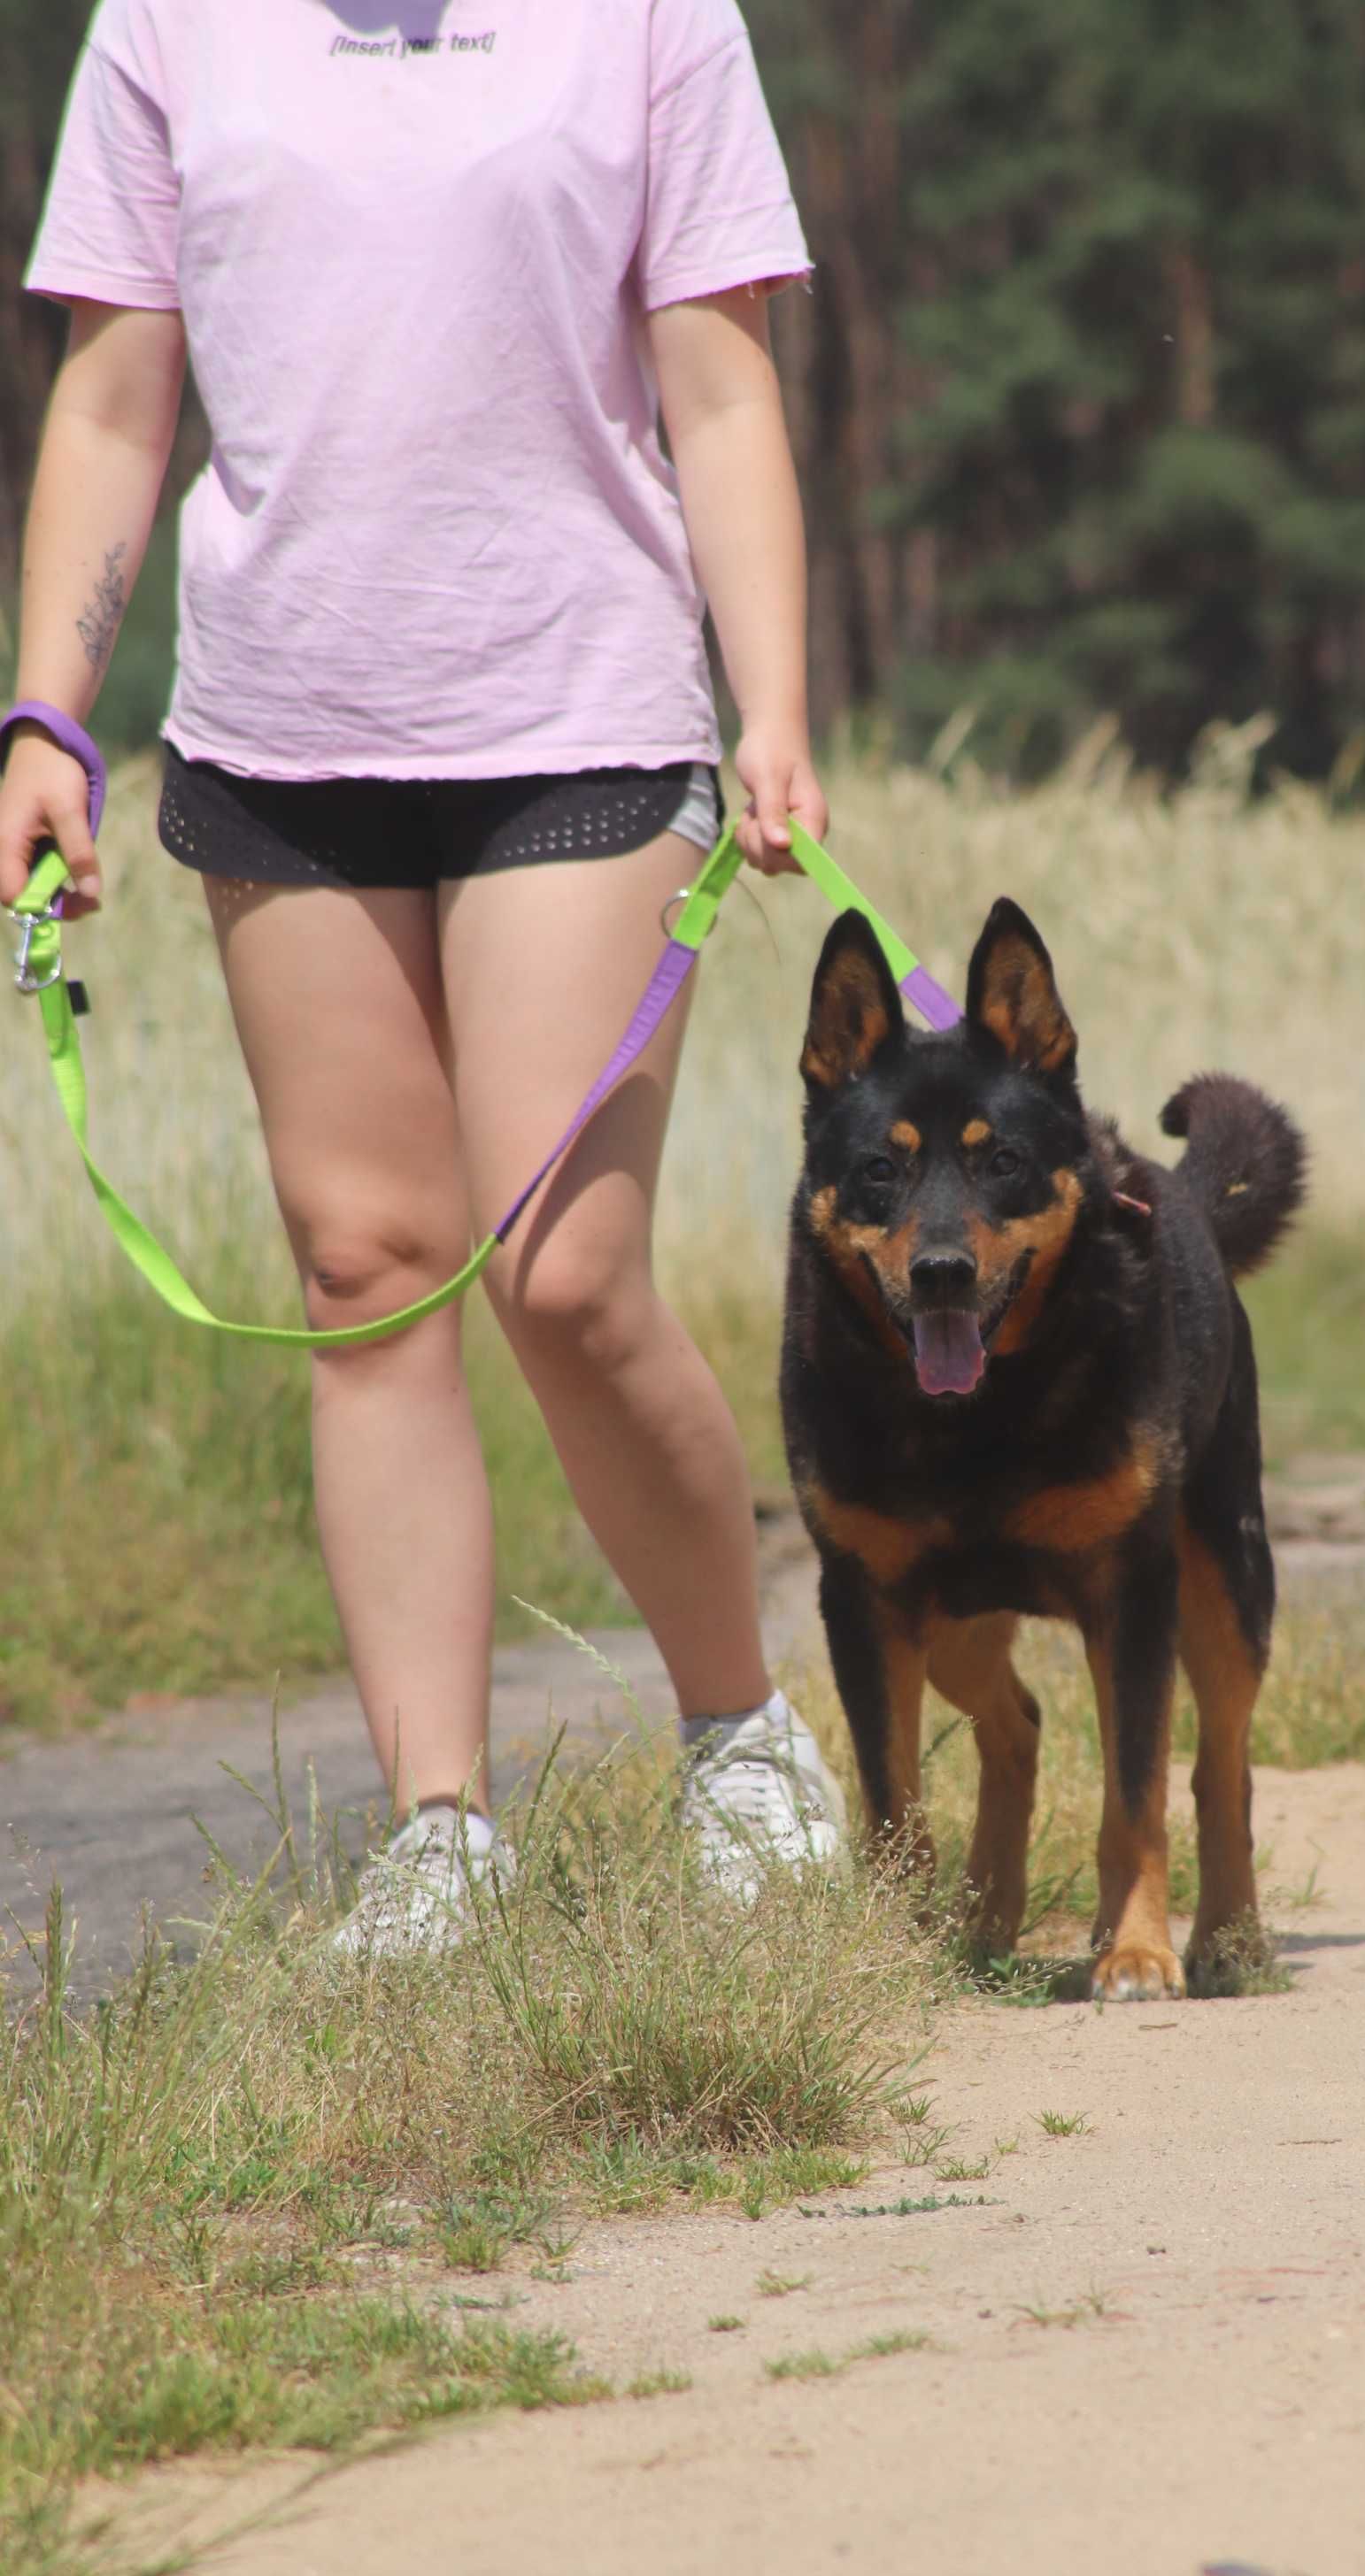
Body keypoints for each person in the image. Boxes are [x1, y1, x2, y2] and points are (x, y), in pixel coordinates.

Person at [1, 0, 847, 1947]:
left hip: (577, 715)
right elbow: (114, 397)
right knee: (368, 1267)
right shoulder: (167, 24)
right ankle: (437, 1830)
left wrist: (776, 697)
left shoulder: (648, 17)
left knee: (559, 1265)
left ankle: (737, 1735)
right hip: (278, 735)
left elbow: (718, 388)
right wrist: (48, 714)